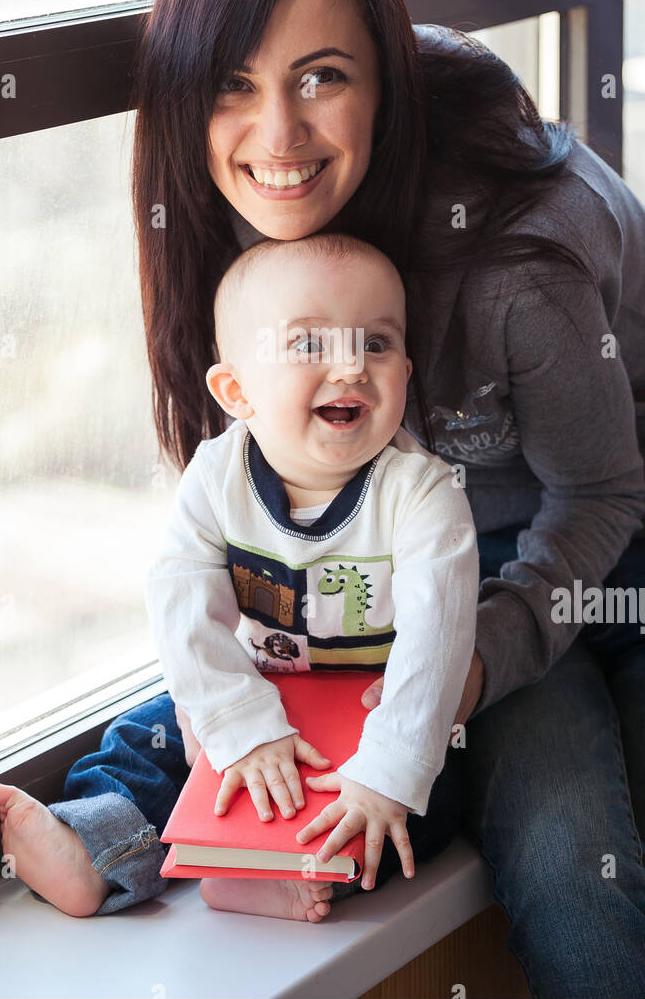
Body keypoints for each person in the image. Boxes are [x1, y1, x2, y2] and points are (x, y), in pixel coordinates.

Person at [0, 0, 645, 998]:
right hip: (467, 567)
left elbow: (596, 497)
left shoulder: (509, 260)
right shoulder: (254, 248)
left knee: (624, 924)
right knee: (320, 712)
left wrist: (456, 668)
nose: (278, 136)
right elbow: (250, 558)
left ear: (382, 81)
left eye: (320, 78)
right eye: (232, 86)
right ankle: (106, 830)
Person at [142, 231, 478, 921]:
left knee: (422, 801)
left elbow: (436, 647)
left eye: (377, 345)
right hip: (261, 688)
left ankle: (297, 877)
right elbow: (181, 605)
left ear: (405, 373)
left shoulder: (421, 493)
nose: (352, 367)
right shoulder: (215, 476)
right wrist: (239, 723)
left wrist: (387, 770)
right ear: (237, 391)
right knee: (143, 739)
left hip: (374, 712)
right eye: (309, 345)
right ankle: (98, 842)